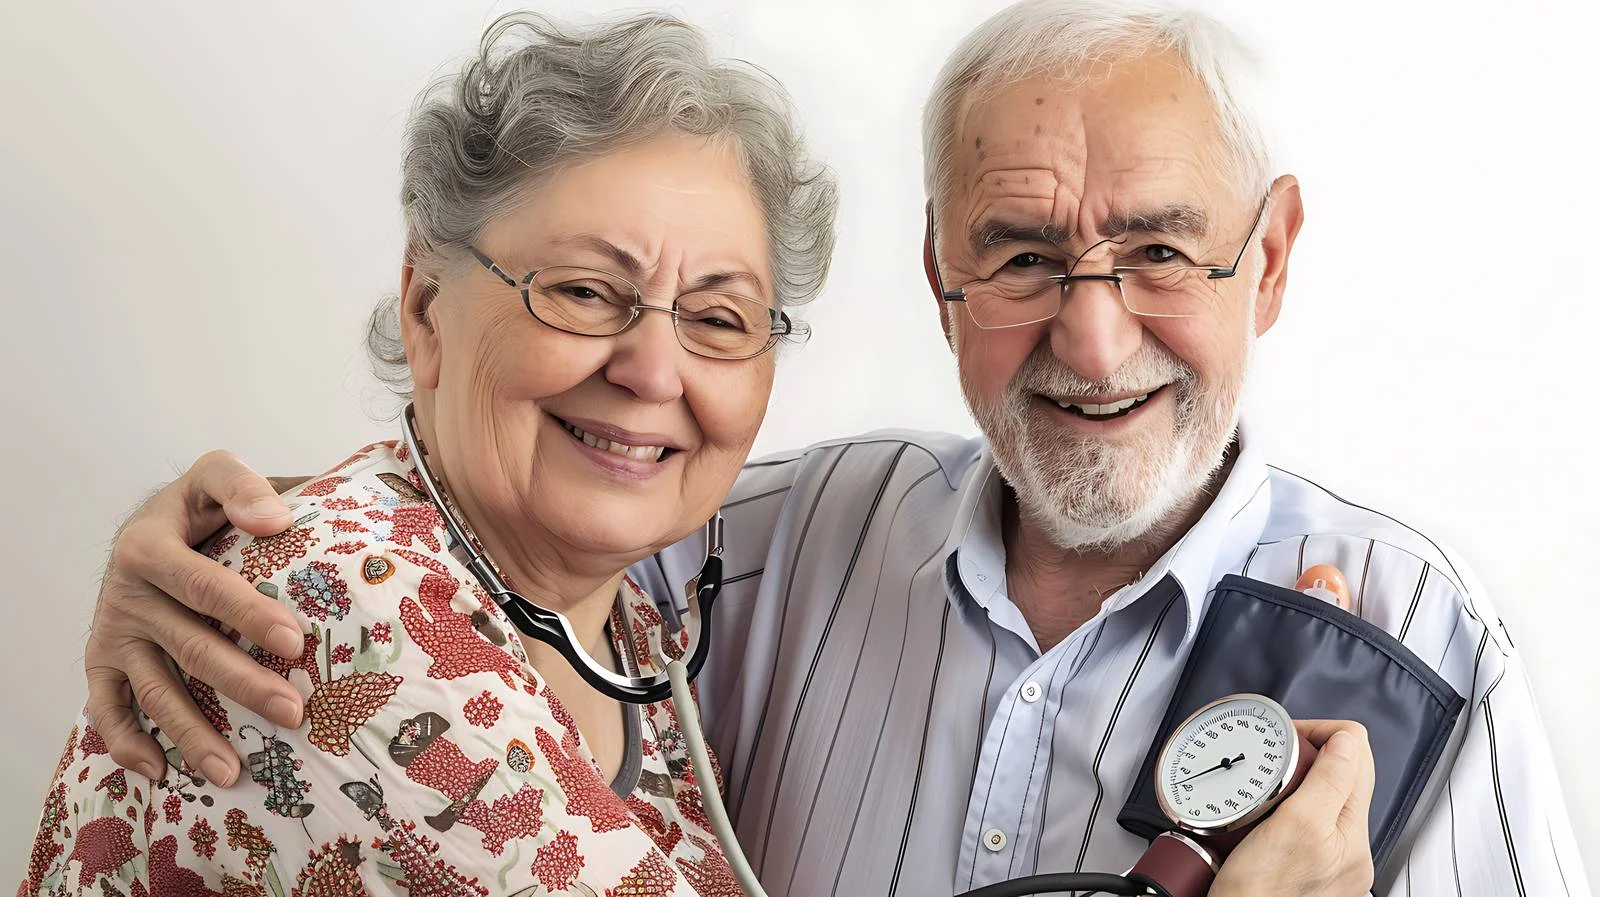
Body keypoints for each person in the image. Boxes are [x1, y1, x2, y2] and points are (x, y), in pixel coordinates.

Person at [71, 0, 1578, 895]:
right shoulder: (748, 542)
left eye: (1163, 251)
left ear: (1273, 255)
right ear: (941, 274)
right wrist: (235, 543)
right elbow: (432, 544)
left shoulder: (1421, 649)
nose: (1096, 336)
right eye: (1025, 255)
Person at [18, 11, 842, 895]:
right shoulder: (331, 612)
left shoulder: (634, 626)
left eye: (719, 319)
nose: (651, 371)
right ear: (425, 310)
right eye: (585, 291)